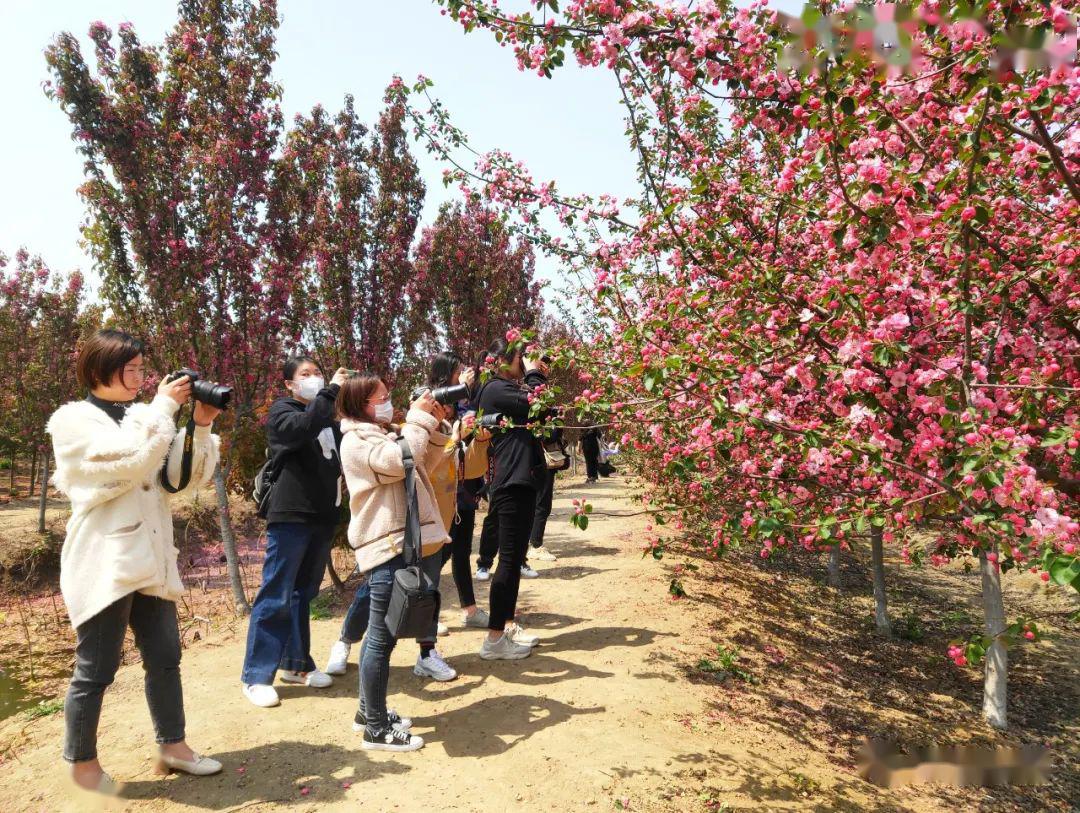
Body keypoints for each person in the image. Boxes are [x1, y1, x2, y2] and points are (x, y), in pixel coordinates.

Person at [47, 329, 223, 795]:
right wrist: (164, 409)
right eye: (131, 369)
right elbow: (127, 460)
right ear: (99, 367)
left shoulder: (143, 416)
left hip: (151, 555)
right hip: (106, 560)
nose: (139, 378)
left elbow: (176, 481)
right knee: (97, 668)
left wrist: (200, 426)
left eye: (142, 369)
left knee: (165, 657)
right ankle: (82, 768)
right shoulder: (72, 421)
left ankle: (174, 746)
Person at [338, 373, 447, 752]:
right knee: (380, 638)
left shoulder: (382, 433)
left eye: (388, 395)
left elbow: (421, 465)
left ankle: (368, 712)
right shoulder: (356, 441)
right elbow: (399, 463)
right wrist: (417, 420)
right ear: (360, 404)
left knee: (381, 635)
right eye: (381, 397)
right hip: (383, 547)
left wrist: (435, 423)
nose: (389, 401)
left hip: (397, 544)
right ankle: (376, 729)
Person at [240, 357, 349, 708]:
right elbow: (305, 426)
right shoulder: (283, 412)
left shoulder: (327, 419)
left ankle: (297, 665)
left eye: (318, 373)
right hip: (290, 516)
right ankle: (256, 675)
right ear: (289, 383)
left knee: (303, 593)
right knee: (276, 592)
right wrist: (331, 390)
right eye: (306, 374)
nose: (315, 379)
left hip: (321, 516)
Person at [474, 337, 550, 659]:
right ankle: (493, 640)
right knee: (507, 561)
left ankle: (505, 628)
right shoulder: (494, 388)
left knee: (514, 559)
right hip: (509, 482)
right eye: (522, 357)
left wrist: (535, 376)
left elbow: (546, 414)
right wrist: (535, 374)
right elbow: (537, 404)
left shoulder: (506, 389)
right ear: (505, 360)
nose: (525, 363)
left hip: (521, 479)